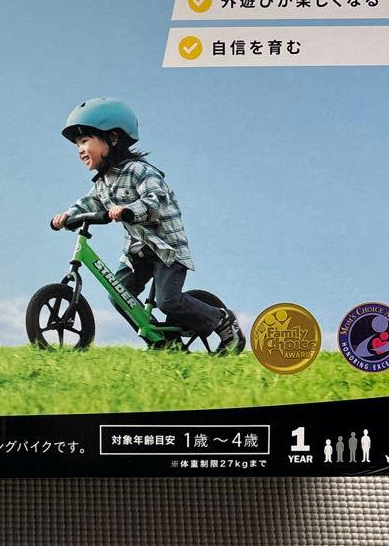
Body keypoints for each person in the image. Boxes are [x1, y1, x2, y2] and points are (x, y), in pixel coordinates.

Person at [51, 97, 244, 354]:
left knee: (168, 302)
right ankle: (161, 341)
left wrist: (130, 210)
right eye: (77, 144)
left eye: (85, 140)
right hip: (137, 251)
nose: (80, 149)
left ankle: (222, 320)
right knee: (119, 295)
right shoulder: (103, 182)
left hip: (166, 249)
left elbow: (156, 199)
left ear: (113, 138)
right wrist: (67, 215)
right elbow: (89, 202)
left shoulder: (140, 171)